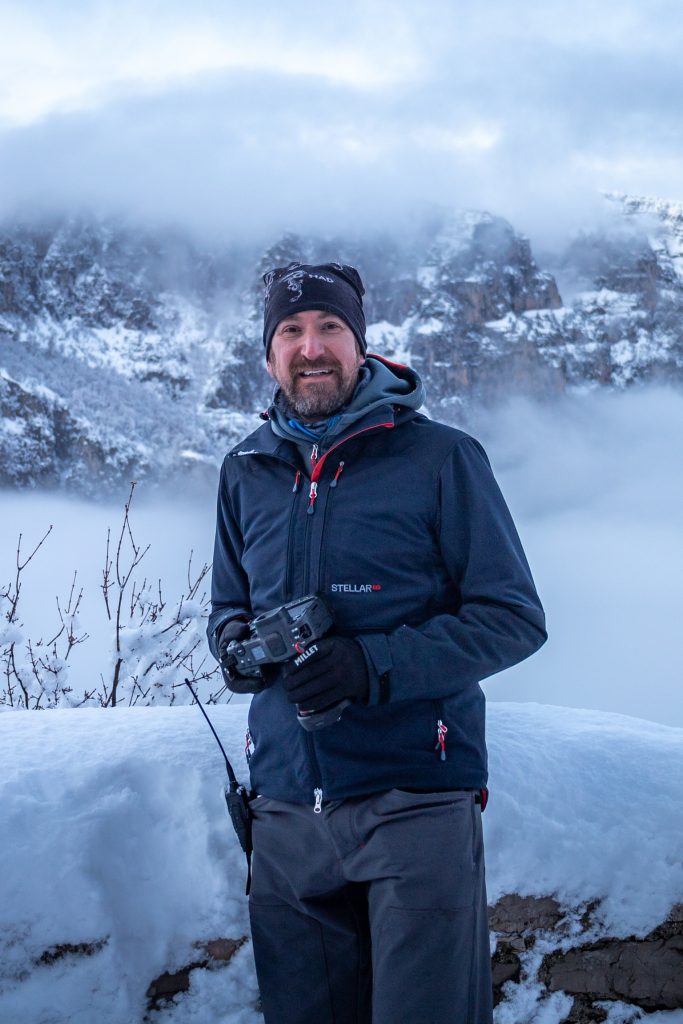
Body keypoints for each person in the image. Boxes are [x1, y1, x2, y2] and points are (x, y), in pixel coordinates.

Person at [208, 261, 547, 1024]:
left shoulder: (440, 458)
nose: (311, 346)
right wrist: (238, 648)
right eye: (290, 331)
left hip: (414, 801)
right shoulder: (244, 471)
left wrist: (369, 666)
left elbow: (512, 616)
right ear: (269, 356)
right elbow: (227, 607)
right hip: (286, 813)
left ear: (361, 346)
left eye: (329, 327)